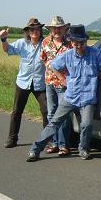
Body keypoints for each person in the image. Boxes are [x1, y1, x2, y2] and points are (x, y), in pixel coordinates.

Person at [26, 24, 101, 161]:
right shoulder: (67, 55)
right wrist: (62, 79)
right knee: (54, 123)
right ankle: (35, 150)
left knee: (86, 125)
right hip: (70, 97)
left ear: (85, 41)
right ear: (71, 42)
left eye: (81, 42)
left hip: (87, 99)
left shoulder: (94, 53)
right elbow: (53, 66)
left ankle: (83, 149)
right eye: (75, 42)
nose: (78, 45)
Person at [0, 18, 48, 148]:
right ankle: (12, 139)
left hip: (40, 83)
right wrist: (3, 39)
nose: (34, 31)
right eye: (32, 29)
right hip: (23, 82)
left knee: (46, 111)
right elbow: (7, 49)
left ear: (40, 31)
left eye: (37, 28)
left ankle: (47, 140)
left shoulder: (46, 44)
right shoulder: (22, 43)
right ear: (27, 31)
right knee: (16, 111)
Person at [41, 16, 72, 156]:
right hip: (49, 82)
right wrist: (50, 70)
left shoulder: (70, 43)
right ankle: (54, 143)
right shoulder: (46, 41)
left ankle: (64, 145)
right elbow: (43, 58)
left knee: (63, 115)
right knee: (51, 114)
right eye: (54, 28)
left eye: (60, 27)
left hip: (64, 84)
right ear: (51, 29)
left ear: (65, 28)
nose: (57, 30)